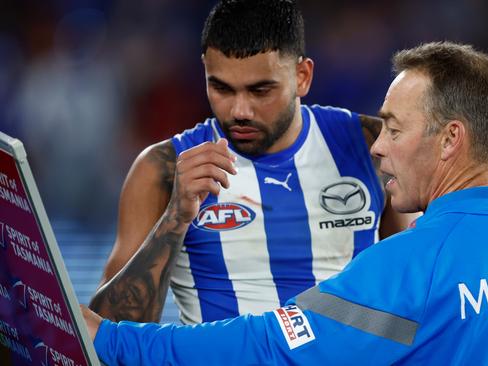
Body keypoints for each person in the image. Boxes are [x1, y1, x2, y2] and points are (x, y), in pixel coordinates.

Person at [83, 41, 488, 365]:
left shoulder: (408, 267)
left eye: (394, 128)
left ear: (450, 140)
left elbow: (267, 347)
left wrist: (109, 338)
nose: (377, 145)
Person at [88, 0, 416, 325]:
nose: (239, 111)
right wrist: (175, 218)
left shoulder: (371, 147)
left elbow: (408, 301)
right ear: (205, 70)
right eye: (222, 88)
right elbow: (107, 334)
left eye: (260, 90)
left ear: (302, 76)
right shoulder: (163, 168)